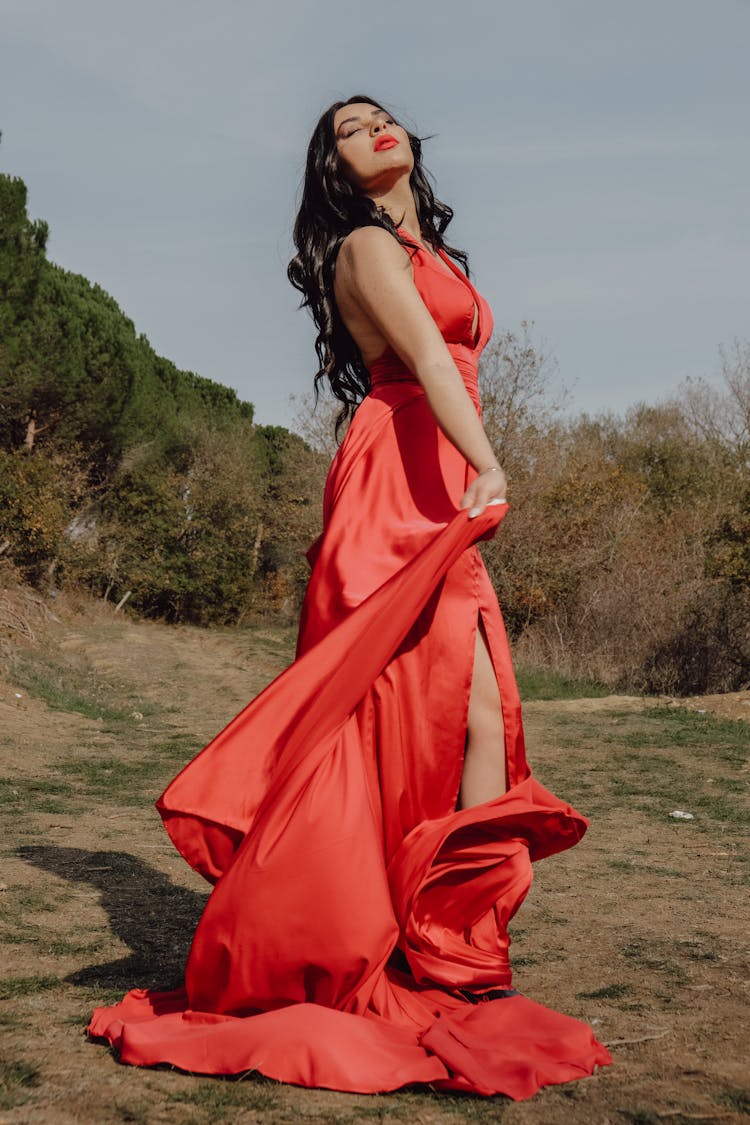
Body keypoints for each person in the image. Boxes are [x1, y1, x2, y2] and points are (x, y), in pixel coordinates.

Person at [88, 95, 612, 1100]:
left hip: (433, 467)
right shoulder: (366, 247)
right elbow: (422, 358)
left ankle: (448, 947)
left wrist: (465, 465)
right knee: (395, 710)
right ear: (331, 168)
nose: (369, 128)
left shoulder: (431, 249)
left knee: (475, 715)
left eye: (380, 116)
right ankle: (396, 942)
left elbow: (449, 356)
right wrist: (489, 461)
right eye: (343, 129)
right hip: (398, 480)